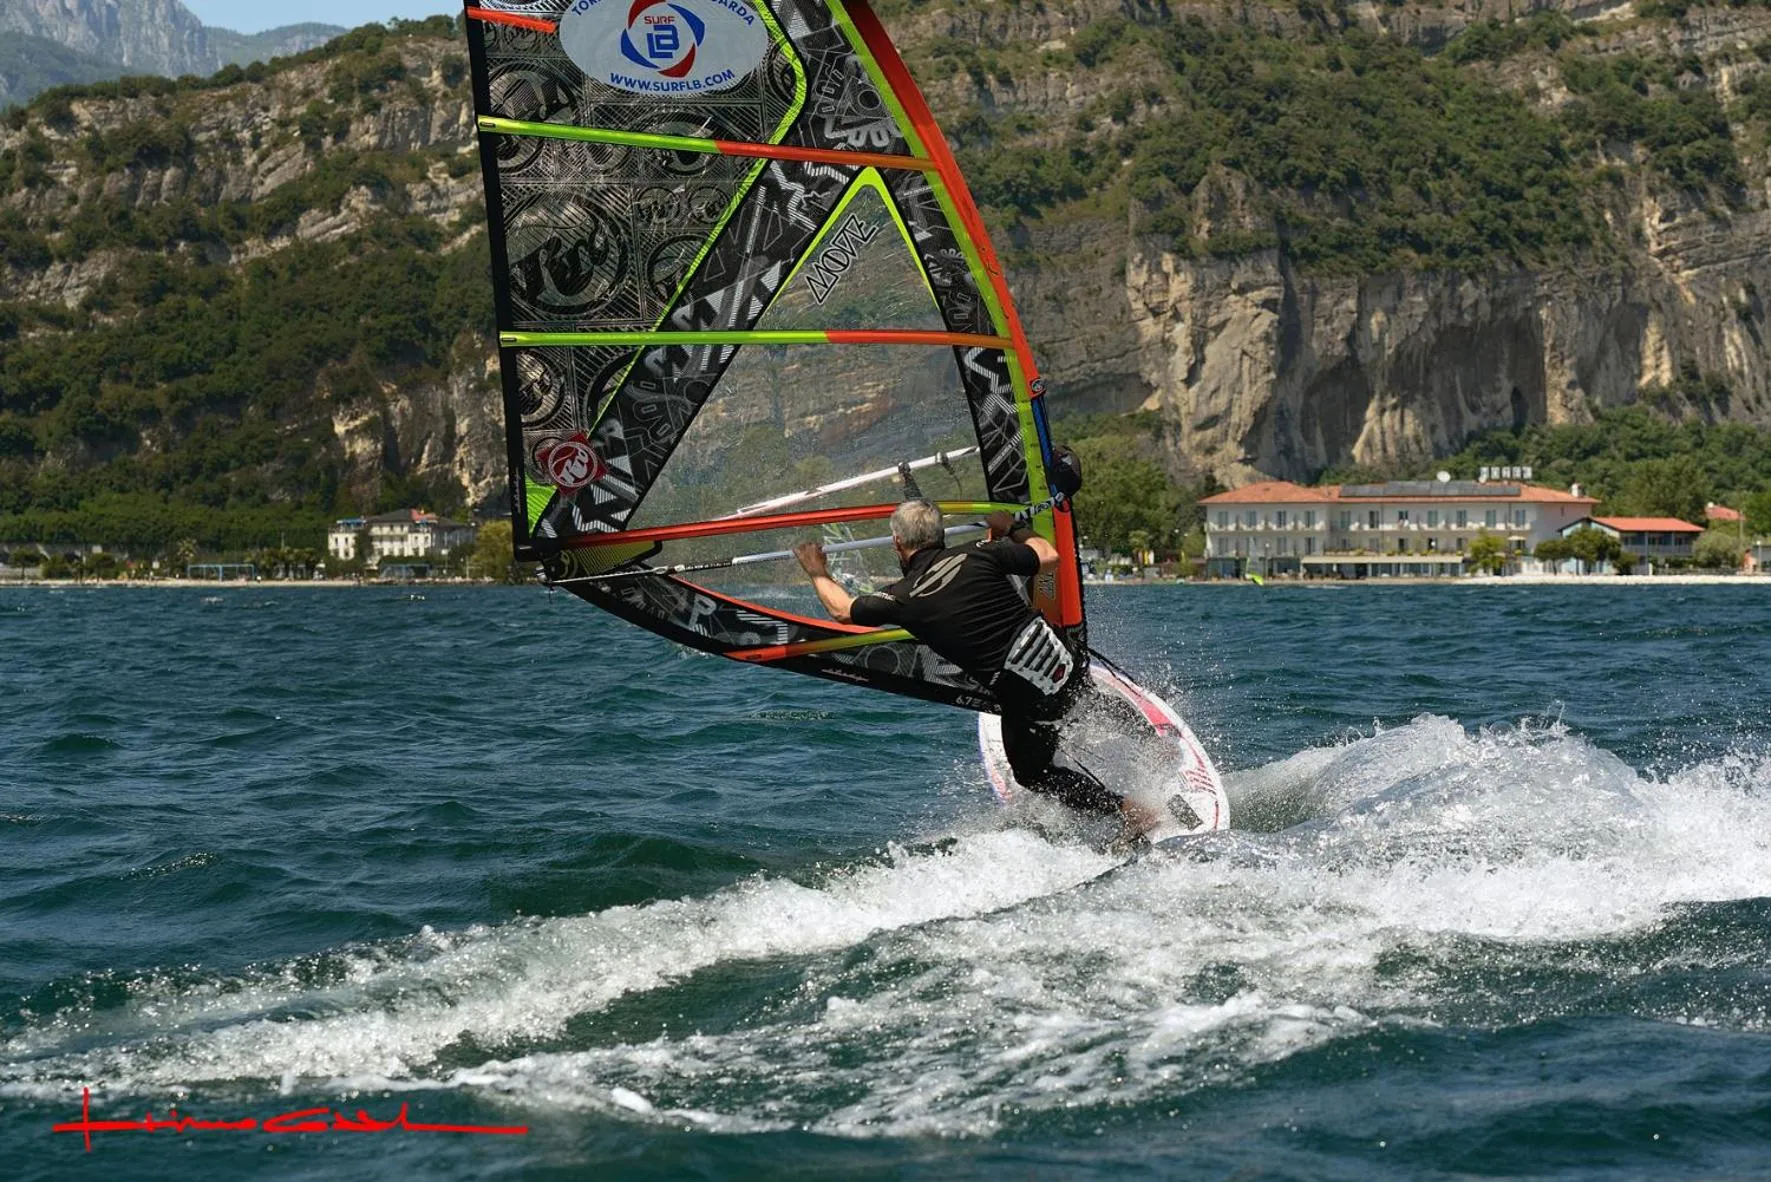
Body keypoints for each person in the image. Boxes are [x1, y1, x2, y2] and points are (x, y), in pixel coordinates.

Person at [793, 498, 1155, 833]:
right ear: (940, 536)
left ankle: (1128, 811)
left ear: (896, 543)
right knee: (1080, 692)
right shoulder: (981, 552)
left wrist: (816, 570)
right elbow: (1047, 556)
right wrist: (1012, 528)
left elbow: (842, 610)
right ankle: (1154, 743)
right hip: (1062, 659)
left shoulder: (901, 597)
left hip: (1028, 697)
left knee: (1033, 773)